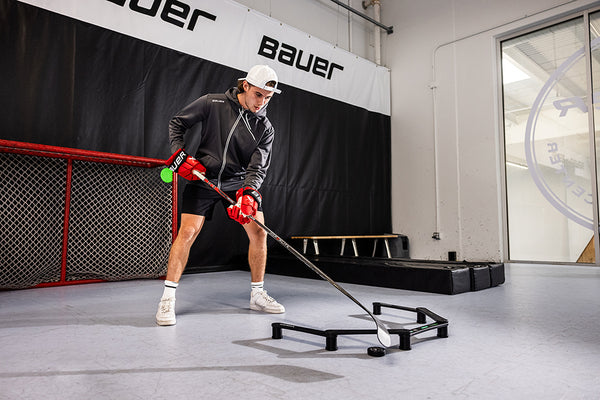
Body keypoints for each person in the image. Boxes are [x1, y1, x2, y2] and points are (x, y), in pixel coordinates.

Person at [156, 65, 285, 326]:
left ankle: (257, 294)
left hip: (237, 182)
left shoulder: (265, 128)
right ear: (246, 86)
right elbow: (177, 123)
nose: (262, 102)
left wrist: (248, 194)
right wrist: (180, 155)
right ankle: (167, 299)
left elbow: (257, 167)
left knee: (259, 232)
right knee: (188, 232)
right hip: (203, 176)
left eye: (268, 98)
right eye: (259, 95)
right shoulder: (212, 102)